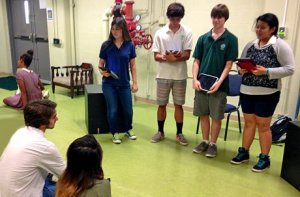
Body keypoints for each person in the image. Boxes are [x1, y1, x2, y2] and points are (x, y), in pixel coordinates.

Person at [230, 13, 295, 172]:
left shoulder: (279, 45)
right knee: (249, 123)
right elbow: (240, 65)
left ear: (272, 29)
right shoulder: (250, 45)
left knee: (263, 126)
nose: (258, 30)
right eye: (257, 27)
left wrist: (266, 71)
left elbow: (289, 69)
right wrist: (241, 70)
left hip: (268, 93)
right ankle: (244, 152)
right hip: (247, 90)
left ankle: (264, 158)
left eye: (263, 28)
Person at [192, 4, 238, 157]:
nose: (216, 20)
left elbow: (228, 64)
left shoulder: (231, 39)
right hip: (202, 84)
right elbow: (196, 61)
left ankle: (213, 144)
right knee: (203, 114)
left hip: (219, 86)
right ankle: (204, 141)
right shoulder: (203, 38)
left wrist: (219, 82)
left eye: (220, 17)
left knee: (216, 116)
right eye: (214, 16)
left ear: (225, 19)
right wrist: (194, 80)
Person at [0, 100, 66, 197]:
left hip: (5, 192)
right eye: (54, 117)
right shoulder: (45, 147)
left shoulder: (20, 132)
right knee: (69, 187)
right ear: (43, 122)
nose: (57, 119)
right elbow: (66, 173)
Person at [150, 2, 193, 145]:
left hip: (180, 75)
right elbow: (156, 56)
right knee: (161, 104)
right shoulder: (160, 33)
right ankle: (160, 131)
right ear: (168, 17)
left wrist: (176, 57)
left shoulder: (187, 32)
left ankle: (179, 133)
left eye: (178, 19)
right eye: (173, 19)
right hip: (163, 75)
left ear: (181, 18)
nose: (175, 22)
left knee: (178, 105)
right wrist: (165, 57)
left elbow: (187, 54)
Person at [99, 17, 138, 144]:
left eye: (118, 29)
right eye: (113, 29)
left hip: (124, 84)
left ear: (123, 30)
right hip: (109, 84)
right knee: (113, 109)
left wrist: (135, 82)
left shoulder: (130, 45)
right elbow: (100, 63)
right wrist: (102, 72)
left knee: (128, 109)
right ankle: (114, 132)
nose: (115, 32)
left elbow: (133, 65)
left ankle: (128, 129)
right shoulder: (106, 45)